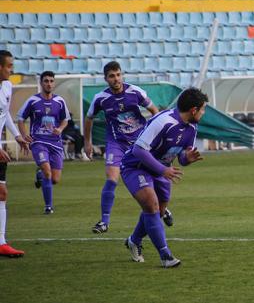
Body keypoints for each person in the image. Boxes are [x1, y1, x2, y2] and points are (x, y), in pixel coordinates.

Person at [121, 87, 207, 268]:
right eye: (203, 109)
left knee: (158, 211)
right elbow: (138, 149)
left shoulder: (192, 128)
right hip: (136, 166)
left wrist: (187, 159)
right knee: (151, 205)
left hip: (161, 170)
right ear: (193, 110)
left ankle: (134, 240)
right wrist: (162, 169)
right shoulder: (163, 121)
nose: (203, 113)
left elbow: (181, 158)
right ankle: (165, 255)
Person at [85, 61, 159, 234]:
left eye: (118, 74)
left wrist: (154, 136)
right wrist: (87, 142)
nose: (116, 79)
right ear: (106, 79)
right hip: (116, 143)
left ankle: (161, 208)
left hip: (139, 142)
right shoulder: (101, 98)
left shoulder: (135, 92)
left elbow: (155, 111)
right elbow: (88, 118)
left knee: (151, 176)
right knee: (112, 178)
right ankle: (104, 221)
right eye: (112, 76)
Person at [17, 71, 69, 214]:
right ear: (41, 83)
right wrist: (23, 135)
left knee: (55, 179)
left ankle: (39, 176)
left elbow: (65, 119)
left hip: (55, 143)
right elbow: (20, 118)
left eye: (51, 81)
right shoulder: (33, 101)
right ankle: (48, 206)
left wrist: (60, 128)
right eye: (46, 81)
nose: (49, 83)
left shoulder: (59, 101)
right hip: (38, 142)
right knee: (47, 171)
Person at [0, 51, 28, 257]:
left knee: (2, 193)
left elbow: (5, 113)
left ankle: (1, 243)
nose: (12, 69)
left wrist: (17, 135)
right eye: (9, 66)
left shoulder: (7, 86)